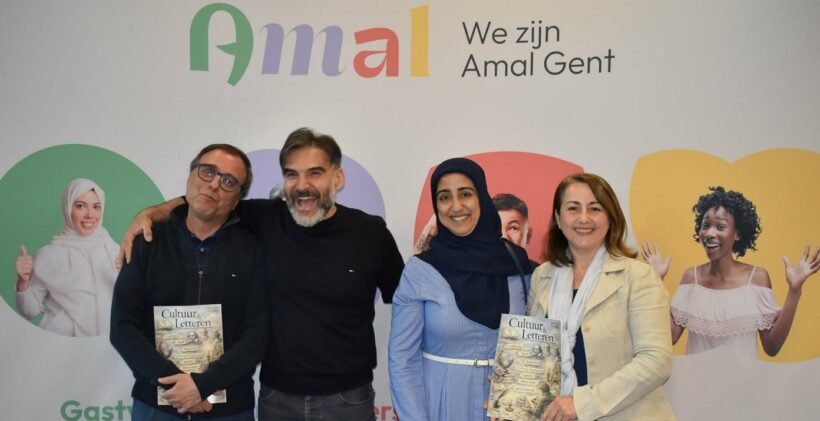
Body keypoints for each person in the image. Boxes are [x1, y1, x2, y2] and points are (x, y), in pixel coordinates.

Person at [118, 128, 405, 421]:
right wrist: (150, 213)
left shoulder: (370, 233)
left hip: (349, 398)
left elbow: (406, 300)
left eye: (315, 173)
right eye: (292, 174)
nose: (302, 185)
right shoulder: (264, 218)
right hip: (277, 399)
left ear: (338, 178)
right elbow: (207, 200)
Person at [110, 144, 268, 420]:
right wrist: (176, 385)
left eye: (229, 181)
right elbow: (122, 326)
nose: (214, 184)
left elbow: (257, 334)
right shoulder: (147, 241)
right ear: (190, 177)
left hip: (229, 408)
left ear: (237, 200)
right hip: (156, 405)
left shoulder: (253, 250)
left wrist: (201, 386)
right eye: (208, 172)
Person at [388, 157, 532, 421]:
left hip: (506, 411)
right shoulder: (420, 271)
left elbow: (533, 347)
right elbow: (402, 359)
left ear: (482, 198)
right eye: (444, 197)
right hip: (440, 405)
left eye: (465, 193)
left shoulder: (517, 264)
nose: (456, 206)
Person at [528, 173, 675, 421]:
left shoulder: (639, 277)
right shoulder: (542, 277)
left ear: (610, 217)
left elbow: (656, 361)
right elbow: (534, 355)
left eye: (595, 208)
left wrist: (582, 404)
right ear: (558, 218)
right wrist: (512, 394)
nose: (584, 218)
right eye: (573, 208)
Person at [640, 186, 819, 357]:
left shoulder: (756, 278)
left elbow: (772, 347)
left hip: (743, 380)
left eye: (720, 227)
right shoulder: (691, 278)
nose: (709, 234)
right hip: (696, 379)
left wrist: (794, 290)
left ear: (737, 234)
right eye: (706, 225)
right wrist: (656, 282)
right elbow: (671, 337)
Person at [15, 178, 119, 337]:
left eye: (96, 207)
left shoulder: (115, 251)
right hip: (61, 344)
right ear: (68, 208)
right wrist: (23, 282)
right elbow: (30, 312)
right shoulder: (49, 255)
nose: (90, 215)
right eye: (80, 206)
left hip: (106, 345)